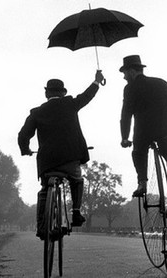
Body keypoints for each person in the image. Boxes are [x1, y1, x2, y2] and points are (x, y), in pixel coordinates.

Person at [18, 70, 105, 239]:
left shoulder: (36, 112)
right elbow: (86, 96)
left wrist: (25, 150)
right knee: (77, 179)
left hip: (48, 162)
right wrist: (96, 81)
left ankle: (42, 227)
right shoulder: (70, 103)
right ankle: (76, 212)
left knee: (44, 190)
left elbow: (23, 136)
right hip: (70, 158)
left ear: (46, 94)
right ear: (64, 93)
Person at [119, 55, 167, 217]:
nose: (124, 76)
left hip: (143, 133)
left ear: (132, 71)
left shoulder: (130, 88)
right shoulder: (161, 83)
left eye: (125, 72)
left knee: (138, 152)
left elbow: (126, 114)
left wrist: (125, 137)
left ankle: (142, 183)